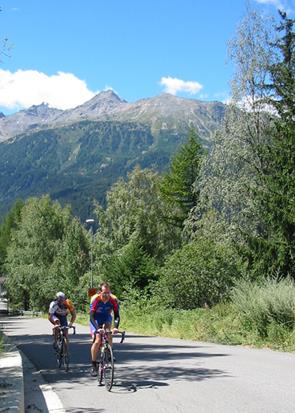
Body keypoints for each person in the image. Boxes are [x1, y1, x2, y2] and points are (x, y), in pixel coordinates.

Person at [89, 282, 120, 376]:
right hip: (96, 318)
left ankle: (109, 353)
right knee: (98, 340)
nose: (106, 295)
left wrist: (115, 327)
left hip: (106, 317)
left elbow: (117, 316)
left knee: (109, 333)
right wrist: (97, 329)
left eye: (108, 292)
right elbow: (91, 316)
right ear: (100, 292)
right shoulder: (95, 299)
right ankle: (94, 364)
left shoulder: (113, 299)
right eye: (104, 293)